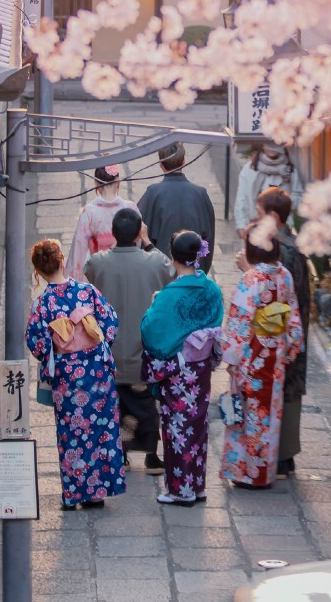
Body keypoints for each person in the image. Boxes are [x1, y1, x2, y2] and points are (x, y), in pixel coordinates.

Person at [25, 238, 127, 511]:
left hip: (67, 378)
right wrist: (91, 344)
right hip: (96, 372)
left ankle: (73, 493)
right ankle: (97, 492)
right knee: (99, 430)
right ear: (61, 261)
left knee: (71, 434)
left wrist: (58, 346)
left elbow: (36, 344)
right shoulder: (87, 292)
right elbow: (111, 323)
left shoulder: (42, 305)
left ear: (39, 271)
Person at [141, 230, 225, 505]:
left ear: (173, 257)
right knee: (197, 425)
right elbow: (214, 322)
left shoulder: (170, 294)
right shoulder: (211, 289)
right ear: (199, 255)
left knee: (177, 428)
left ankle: (180, 490)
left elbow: (152, 328)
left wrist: (153, 307)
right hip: (199, 369)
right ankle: (197, 485)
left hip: (178, 369)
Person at [85, 208, 172, 475]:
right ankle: (151, 455)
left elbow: (88, 272)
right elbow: (170, 268)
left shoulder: (98, 263)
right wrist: (147, 241)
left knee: (115, 406)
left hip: (109, 354)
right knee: (146, 405)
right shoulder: (154, 263)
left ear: (113, 234)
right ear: (137, 232)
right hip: (141, 354)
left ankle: (119, 453)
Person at [220, 236, 303, 491]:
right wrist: (288, 350)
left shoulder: (251, 278)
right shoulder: (284, 274)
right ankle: (263, 472)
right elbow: (293, 319)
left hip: (252, 356)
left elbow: (239, 322)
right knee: (268, 414)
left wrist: (231, 358)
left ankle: (247, 473)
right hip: (275, 356)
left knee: (248, 414)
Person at [258, 186, 311, 477]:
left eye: (260, 213)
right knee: (288, 388)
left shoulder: (283, 250)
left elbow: (273, 295)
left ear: (274, 217)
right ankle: (284, 455)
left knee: (280, 387)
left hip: (280, 330)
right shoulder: (291, 243)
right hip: (292, 329)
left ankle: (279, 454)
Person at [138, 143, 216, 269]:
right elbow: (208, 239)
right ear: (184, 161)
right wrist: (202, 269)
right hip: (193, 270)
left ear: (161, 165)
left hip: (161, 271)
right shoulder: (200, 194)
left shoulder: (153, 194)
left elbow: (142, 234)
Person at [65, 165, 139, 279]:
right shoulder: (131, 208)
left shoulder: (89, 212)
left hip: (100, 272)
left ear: (96, 183)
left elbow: (79, 251)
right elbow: (139, 242)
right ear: (118, 181)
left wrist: (76, 282)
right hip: (130, 270)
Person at [233, 140, 303, 237]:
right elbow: (241, 199)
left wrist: (284, 202)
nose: (271, 147)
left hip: (281, 229)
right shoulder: (250, 168)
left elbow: (299, 195)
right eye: (268, 143)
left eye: (276, 143)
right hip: (255, 227)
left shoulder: (289, 170)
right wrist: (241, 225)